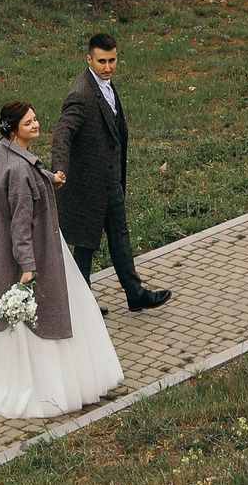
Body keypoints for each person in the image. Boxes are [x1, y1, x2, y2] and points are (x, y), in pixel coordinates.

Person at [0, 99, 123, 418]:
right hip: (39, 252)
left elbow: (29, 172)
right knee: (51, 311)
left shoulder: (3, 152)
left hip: (14, 253)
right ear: (13, 130)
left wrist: (48, 180)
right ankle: (48, 387)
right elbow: (21, 224)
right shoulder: (18, 170)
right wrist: (28, 267)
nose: (36, 124)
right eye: (28, 123)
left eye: (36, 119)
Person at [51, 32, 170, 312]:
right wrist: (59, 167)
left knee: (119, 236)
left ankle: (134, 294)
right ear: (88, 59)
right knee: (85, 244)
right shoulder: (80, 94)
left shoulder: (105, 84)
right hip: (88, 184)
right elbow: (62, 131)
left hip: (110, 180)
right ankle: (82, 306)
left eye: (112, 60)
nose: (108, 67)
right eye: (102, 61)